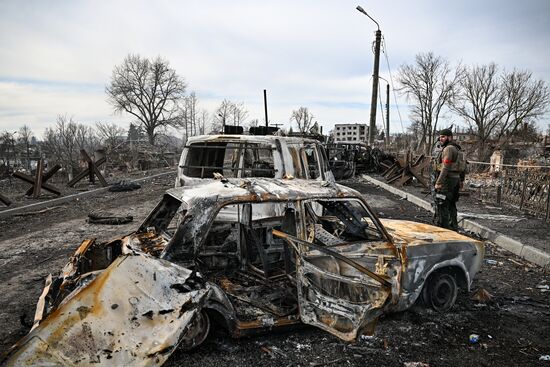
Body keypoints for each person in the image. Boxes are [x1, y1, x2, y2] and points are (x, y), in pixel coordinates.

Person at [432, 128, 466, 230]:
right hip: (455, 180)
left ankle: (444, 229)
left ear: (449, 137)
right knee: (451, 204)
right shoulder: (457, 148)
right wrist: (461, 180)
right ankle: (453, 227)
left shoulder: (448, 149)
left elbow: (445, 167)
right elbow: (463, 167)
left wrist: (438, 182)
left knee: (442, 204)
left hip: (447, 181)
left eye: (443, 136)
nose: (440, 139)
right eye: (440, 137)